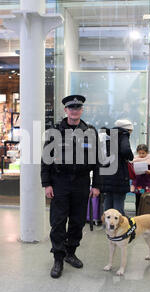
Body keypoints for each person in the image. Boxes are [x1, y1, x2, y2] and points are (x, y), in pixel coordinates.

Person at [41, 95, 101, 279]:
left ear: (82, 110)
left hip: (82, 183)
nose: (75, 111)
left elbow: (98, 161)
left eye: (78, 108)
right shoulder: (54, 132)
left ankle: (70, 252)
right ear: (65, 110)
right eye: (71, 108)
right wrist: (47, 183)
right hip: (60, 182)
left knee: (77, 221)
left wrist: (97, 185)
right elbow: (45, 160)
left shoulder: (90, 132)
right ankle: (58, 258)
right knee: (58, 222)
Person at [101, 119, 134, 215]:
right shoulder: (123, 135)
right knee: (118, 202)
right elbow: (125, 150)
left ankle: (107, 226)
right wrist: (130, 157)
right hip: (119, 174)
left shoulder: (108, 134)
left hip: (106, 173)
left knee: (108, 201)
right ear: (127, 129)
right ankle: (119, 227)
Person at [130, 144, 150, 214]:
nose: (141, 155)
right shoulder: (135, 160)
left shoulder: (149, 161)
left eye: (143, 153)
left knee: (147, 200)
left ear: (147, 152)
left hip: (147, 184)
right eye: (140, 153)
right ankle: (138, 214)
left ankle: (146, 214)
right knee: (138, 199)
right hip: (138, 184)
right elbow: (131, 172)